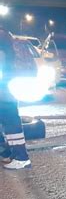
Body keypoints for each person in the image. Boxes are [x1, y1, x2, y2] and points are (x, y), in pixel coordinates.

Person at [0, 27, 32, 169]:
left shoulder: (2, 43)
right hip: (8, 89)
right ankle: (10, 152)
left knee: (11, 121)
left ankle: (21, 157)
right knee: (8, 120)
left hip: (4, 91)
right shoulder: (7, 37)